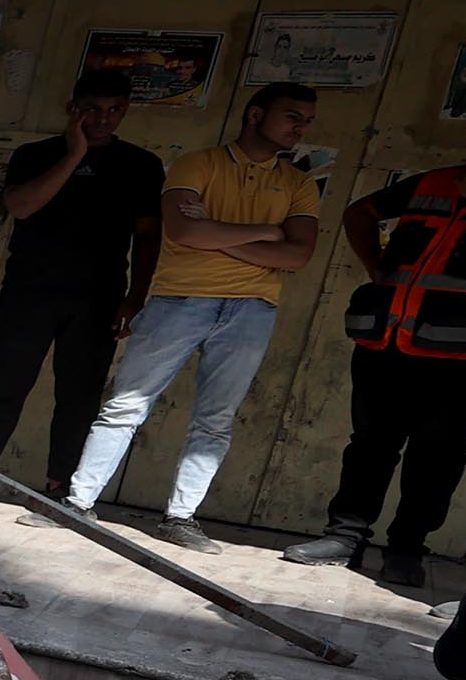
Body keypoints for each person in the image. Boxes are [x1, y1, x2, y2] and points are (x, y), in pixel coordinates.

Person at [47, 80, 323, 551]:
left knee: (216, 419)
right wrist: (266, 235)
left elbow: (297, 256)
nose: (300, 128)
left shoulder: (298, 183)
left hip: (253, 309)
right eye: (292, 116)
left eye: (306, 121)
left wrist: (213, 230)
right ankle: (76, 505)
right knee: (125, 405)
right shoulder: (200, 162)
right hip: (179, 299)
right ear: (255, 115)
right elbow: (180, 231)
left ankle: (181, 517)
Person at [279, 113, 466, 591]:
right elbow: (359, 212)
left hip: (465, 356)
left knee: (436, 455)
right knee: (370, 445)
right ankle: (345, 537)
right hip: (388, 341)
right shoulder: (437, 182)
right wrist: (379, 271)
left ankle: (406, 548)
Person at [0, 65, 160, 501]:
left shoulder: (141, 165)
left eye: (115, 110)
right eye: (92, 109)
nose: (103, 119)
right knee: (7, 383)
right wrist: (74, 155)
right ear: (72, 109)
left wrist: (136, 296)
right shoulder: (35, 154)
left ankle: (59, 488)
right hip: (30, 291)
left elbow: (148, 236)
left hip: (99, 297)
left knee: (79, 394)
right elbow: (20, 207)